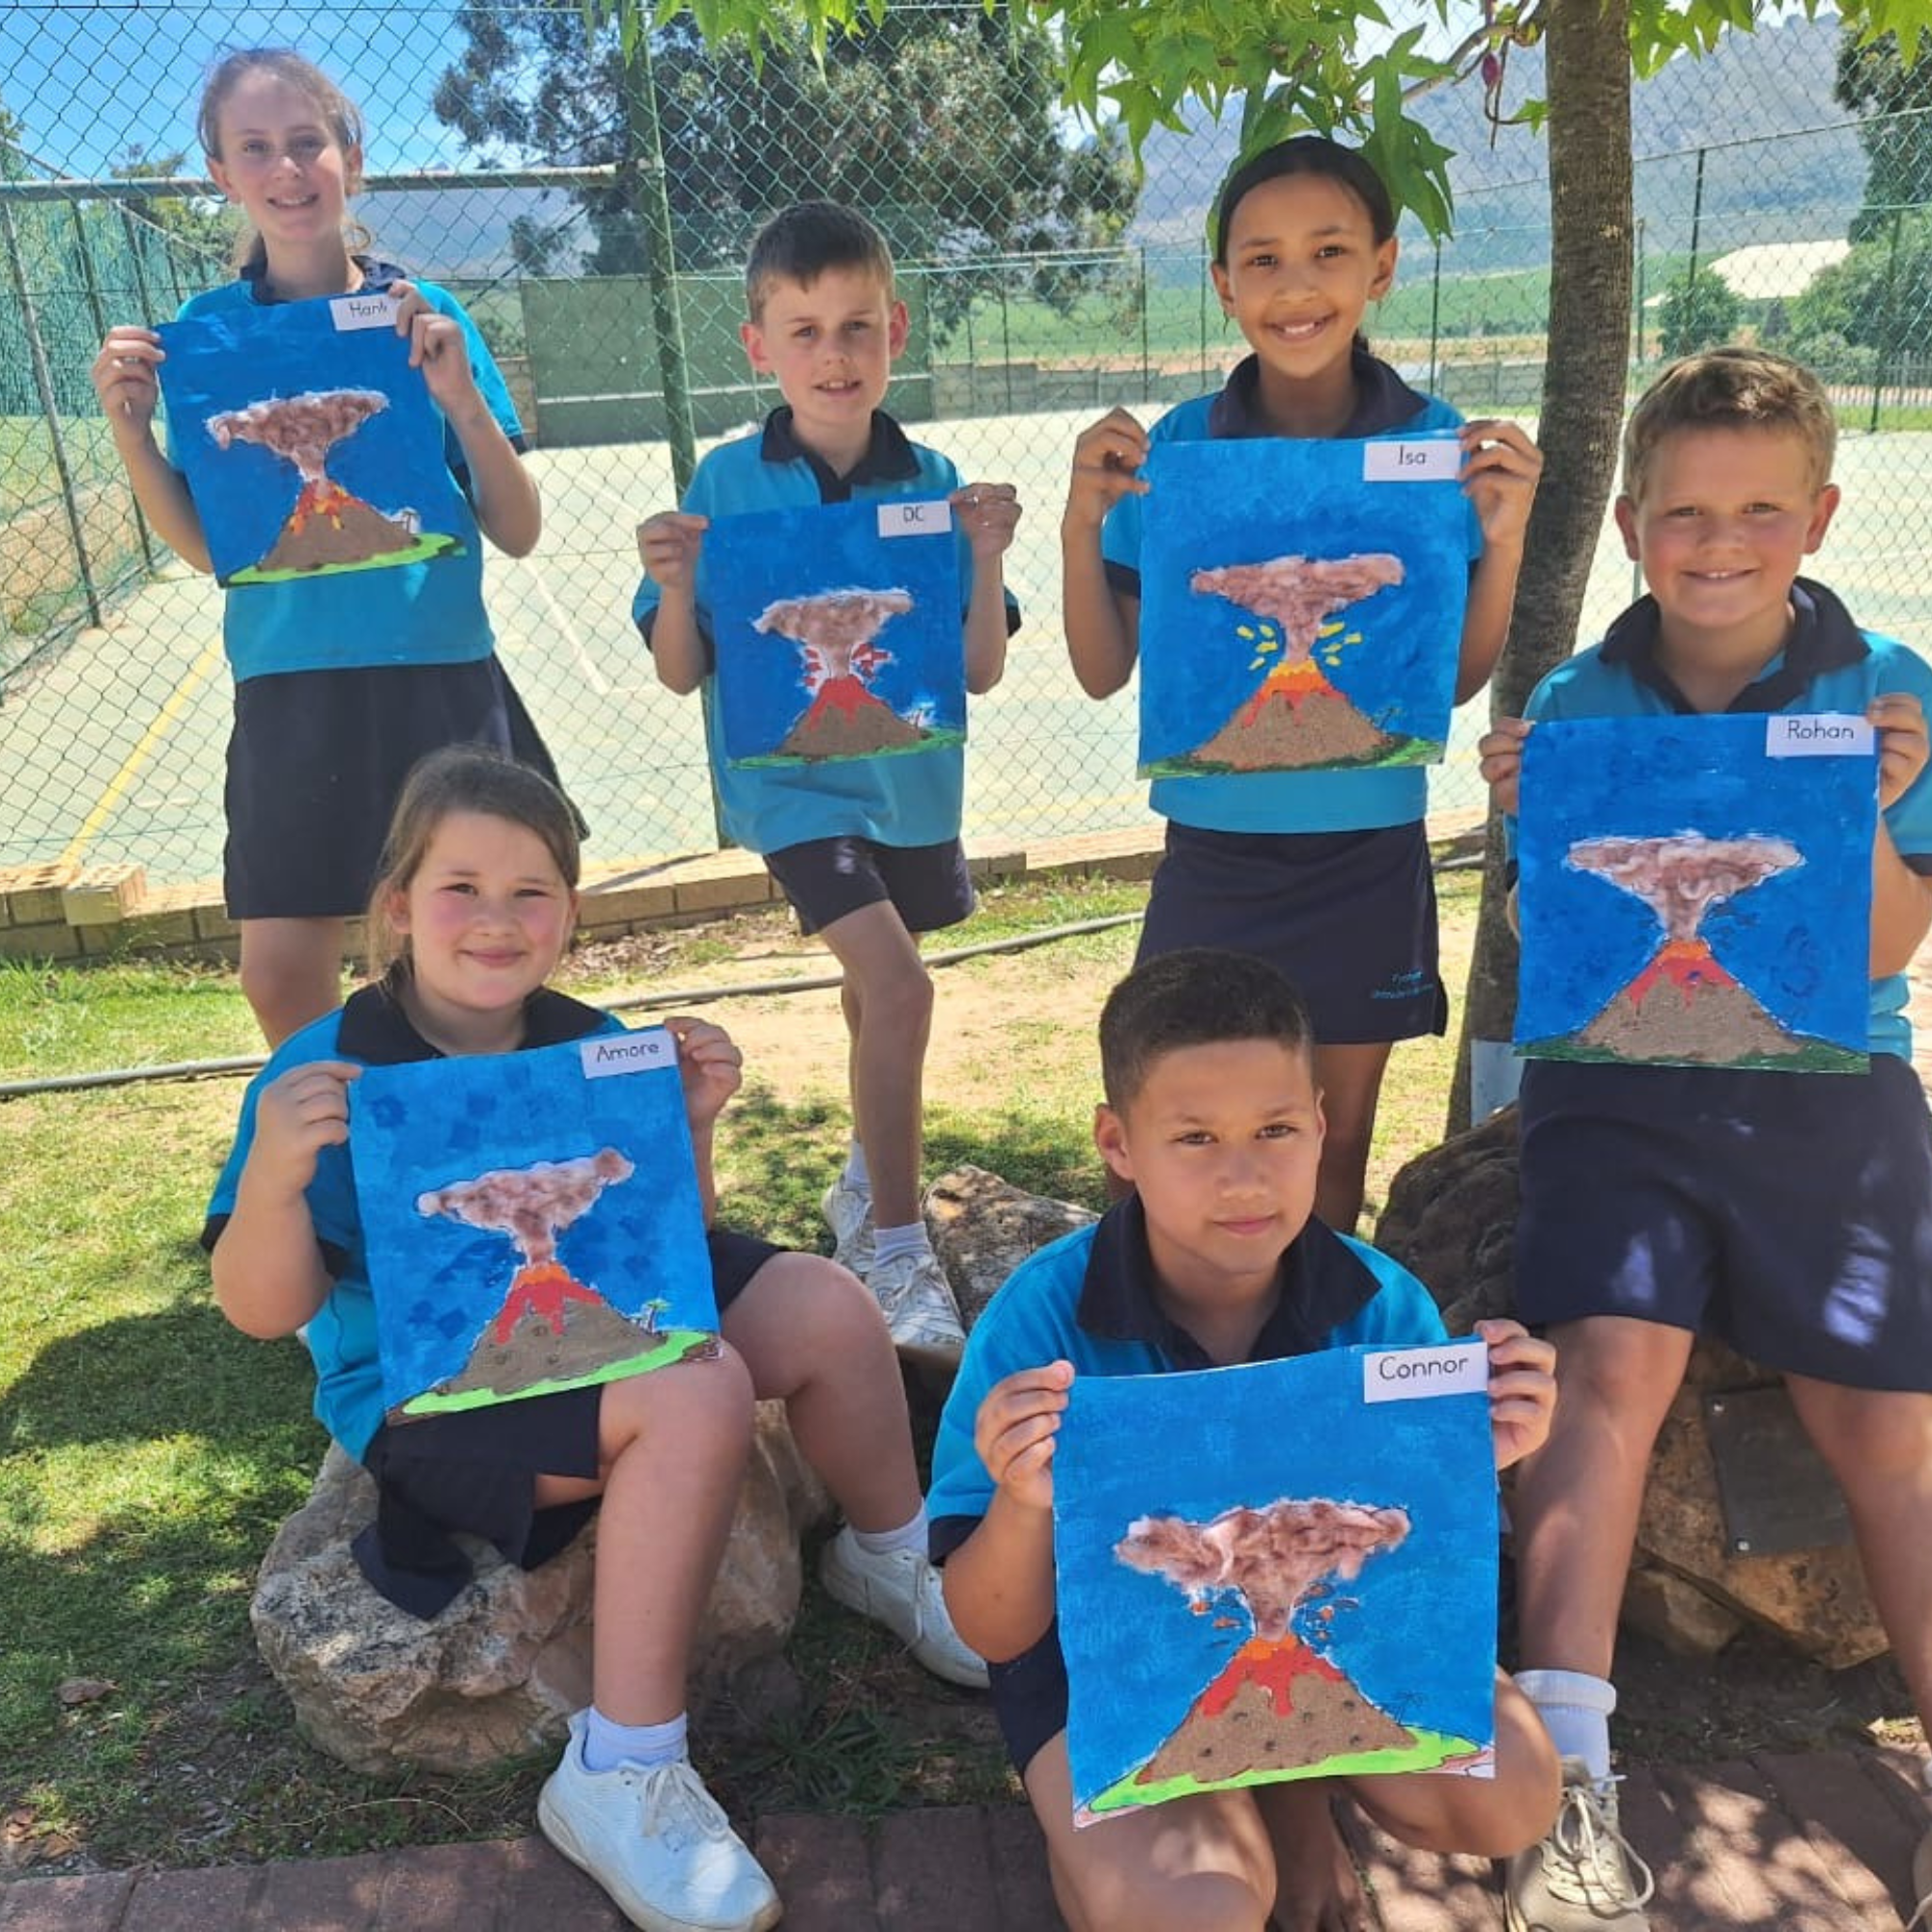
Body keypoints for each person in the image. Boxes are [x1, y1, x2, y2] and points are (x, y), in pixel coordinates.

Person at [204, 746, 985, 1932]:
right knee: (698, 1388)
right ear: (398, 904)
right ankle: (622, 1765)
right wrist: (273, 1172)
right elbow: (261, 1310)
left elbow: (671, 1239)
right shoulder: (324, 1065)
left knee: (827, 1304)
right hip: (432, 1385)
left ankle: (887, 1551)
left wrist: (691, 1124)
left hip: (599, 1305)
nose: (496, 918)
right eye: (461, 886)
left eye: (531, 890)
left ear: (570, 912)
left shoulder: (591, 1039)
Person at [1478, 346, 1932, 1932]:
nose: (1719, 543)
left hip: (1825, 1086)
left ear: (1819, 517)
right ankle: (1571, 1784)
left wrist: (1870, 815)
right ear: (1629, 526)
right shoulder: (1573, 701)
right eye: (1684, 512)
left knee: (1886, 1425)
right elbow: (1545, 943)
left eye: (1757, 511)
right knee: (1604, 1373)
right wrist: (1533, 823)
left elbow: (1883, 951)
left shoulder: (1891, 690)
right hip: (1626, 1089)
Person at [927, 948, 1562, 1932]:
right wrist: (1019, 1500)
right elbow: (990, 1631)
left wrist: (1484, 1457)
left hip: (1322, 1635)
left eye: (1275, 1129)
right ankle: (1114, 1844)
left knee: (1514, 1794)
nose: (1243, 1175)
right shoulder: (1039, 1321)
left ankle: (1291, 1794)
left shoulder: (1380, 1305)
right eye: (1194, 1137)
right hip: (1107, 1666)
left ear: (1321, 1124)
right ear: (1117, 1142)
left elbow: (1418, 1573)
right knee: (1194, 1907)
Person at [1061, 134, 1544, 1234]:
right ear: (1223, 283)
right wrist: (1080, 524)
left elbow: (1448, 685)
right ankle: (1159, 1330)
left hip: (1366, 857)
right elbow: (1100, 668)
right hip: (1213, 855)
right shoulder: (1180, 447)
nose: (1296, 286)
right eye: (1263, 259)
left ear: (1381, 267)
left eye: (1328, 251)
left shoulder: (1435, 447)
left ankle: (1309, 1341)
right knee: (1165, 1140)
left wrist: (1505, 540)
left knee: (1328, 1150)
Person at [90, 48, 561, 1049]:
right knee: (278, 973)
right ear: (222, 174)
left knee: (461, 960)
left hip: (436, 673)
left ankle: (447, 1129)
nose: (288, 168)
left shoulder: (426, 313)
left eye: (308, 141)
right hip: (289, 682)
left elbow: (518, 528)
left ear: (352, 155)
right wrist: (133, 436)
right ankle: (343, 1132)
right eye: (256, 147)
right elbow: (211, 550)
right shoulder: (205, 336)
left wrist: (459, 400)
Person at [635, 199, 1020, 1370]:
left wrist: (987, 552)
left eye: (856, 326)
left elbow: (977, 669)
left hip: (912, 787)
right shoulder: (724, 482)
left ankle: (862, 1181)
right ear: (759, 346)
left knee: (872, 991)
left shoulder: (933, 481)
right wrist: (674, 580)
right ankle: (897, 1248)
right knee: (899, 986)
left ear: (894, 331)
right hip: (793, 794)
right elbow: (679, 670)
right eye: (803, 330)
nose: (833, 354)